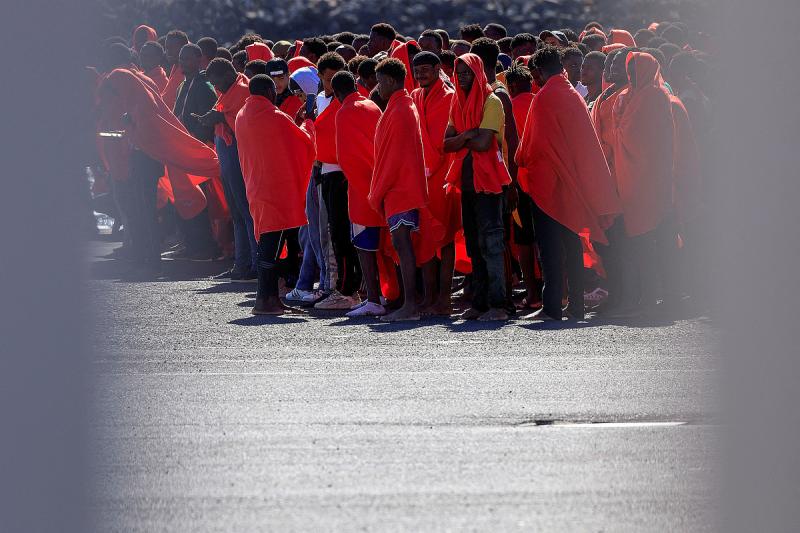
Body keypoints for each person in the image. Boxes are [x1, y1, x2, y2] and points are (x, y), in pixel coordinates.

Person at [515, 46, 621, 321]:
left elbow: (532, 147)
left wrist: (519, 159)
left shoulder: (544, 97)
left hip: (548, 186)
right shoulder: (572, 94)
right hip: (572, 184)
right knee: (571, 247)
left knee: (549, 249)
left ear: (537, 71)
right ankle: (575, 305)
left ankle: (551, 307)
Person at [235, 74, 316, 314]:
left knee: (267, 244)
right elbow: (303, 141)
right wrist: (309, 121)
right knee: (270, 247)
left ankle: (270, 299)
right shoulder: (273, 115)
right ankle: (264, 301)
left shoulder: (243, 114)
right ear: (270, 92)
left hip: (256, 187)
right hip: (275, 191)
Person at [444, 53, 512, 321]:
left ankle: (499, 305)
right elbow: (445, 144)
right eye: (458, 73)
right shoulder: (457, 103)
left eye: (466, 73)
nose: (462, 78)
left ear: (478, 73)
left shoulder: (492, 102)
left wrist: (463, 138)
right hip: (468, 184)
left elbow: (485, 144)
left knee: (492, 245)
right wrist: (468, 134)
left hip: (489, 184)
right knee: (474, 245)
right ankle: (481, 304)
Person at [610, 51, 675, 317]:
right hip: (631, 180)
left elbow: (640, 136)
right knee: (636, 244)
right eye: (630, 69)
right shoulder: (629, 95)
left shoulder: (655, 96)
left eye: (637, 68)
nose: (632, 74)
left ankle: (653, 299)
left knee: (650, 242)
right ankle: (641, 298)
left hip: (650, 179)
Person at [369, 58, 429, 322]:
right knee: (402, 245)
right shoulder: (402, 106)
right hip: (400, 186)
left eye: (380, 82)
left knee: (403, 246)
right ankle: (410, 303)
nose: (378, 88)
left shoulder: (401, 110)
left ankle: (410, 305)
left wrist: (378, 191)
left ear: (391, 81)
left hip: (399, 188)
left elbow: (393, 158)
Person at [195, 58, 258, 281]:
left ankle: (255, 265)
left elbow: (246, 124)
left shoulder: (242, 90)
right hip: (228, 157)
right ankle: (242, 264)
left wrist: (220, 117)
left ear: (227, 75)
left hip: (238, 157)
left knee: (246, 211)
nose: (216, 87)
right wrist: (212, 118)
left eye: (217, 82)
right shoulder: (229, 89)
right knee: (237, 213)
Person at [331, 71, 387, 317]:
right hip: (382, 181)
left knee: (364, 246)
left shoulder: (344, 112)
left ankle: (374, 298)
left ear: (335, 93)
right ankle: (384, 295)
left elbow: (345, 157)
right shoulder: (372, 105)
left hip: (360, 187)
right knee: (386, 246)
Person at [470, 37, 520, 313]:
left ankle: (504, 301)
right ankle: (487, 299)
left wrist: (510, 182)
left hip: (497, 180)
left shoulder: (498, 94)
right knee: (485, 241)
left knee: (496, 241)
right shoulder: (486, 92)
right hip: (486, 178)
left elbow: (510, 140)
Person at [313, 52, 363, 310]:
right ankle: (337, 286)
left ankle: (347, 290)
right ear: (320, 76)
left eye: (336, 78)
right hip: (326, 172)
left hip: (343, 174)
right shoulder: (320, 100)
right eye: (328, 78)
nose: (332, 83)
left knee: (342, 234)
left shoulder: (348, 105)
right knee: (332, 233)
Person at [411, 51, 459, 316]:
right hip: (420, 179)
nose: (421, 75)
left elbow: (446, 139)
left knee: (446, 237)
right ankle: (429, 297)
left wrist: (430, 166)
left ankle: (444, 298)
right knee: (424, 238)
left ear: (438, 69)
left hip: (443, 177)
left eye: (426, 69)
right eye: (417, 71)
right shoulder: (415, 96)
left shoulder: (450, 97)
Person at [173, 43, 220, 259]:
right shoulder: (184, 85)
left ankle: (205, 246)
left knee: (206, 201)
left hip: (199, 151)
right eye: (181, 58)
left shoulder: (204, 85)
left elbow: (209, 119)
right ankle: (191, 243)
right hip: (183, 151)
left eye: (188, 58)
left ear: (199, 60)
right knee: (188, 198)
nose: (183, 62)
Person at [504, 63, 541, 311]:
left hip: (520, 184)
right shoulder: (542, 101)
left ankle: (532, 294)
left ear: (513, 85)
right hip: (546, 182)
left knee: (524, 241)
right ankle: (559, 292)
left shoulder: (509, 107)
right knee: (548, 240)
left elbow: (507, 149)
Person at [162, 30, 188, 109]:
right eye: (167, 47)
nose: (168, 51)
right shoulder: (175, 68)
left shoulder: (186, 73)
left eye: (172, 47)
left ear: (183, 48)